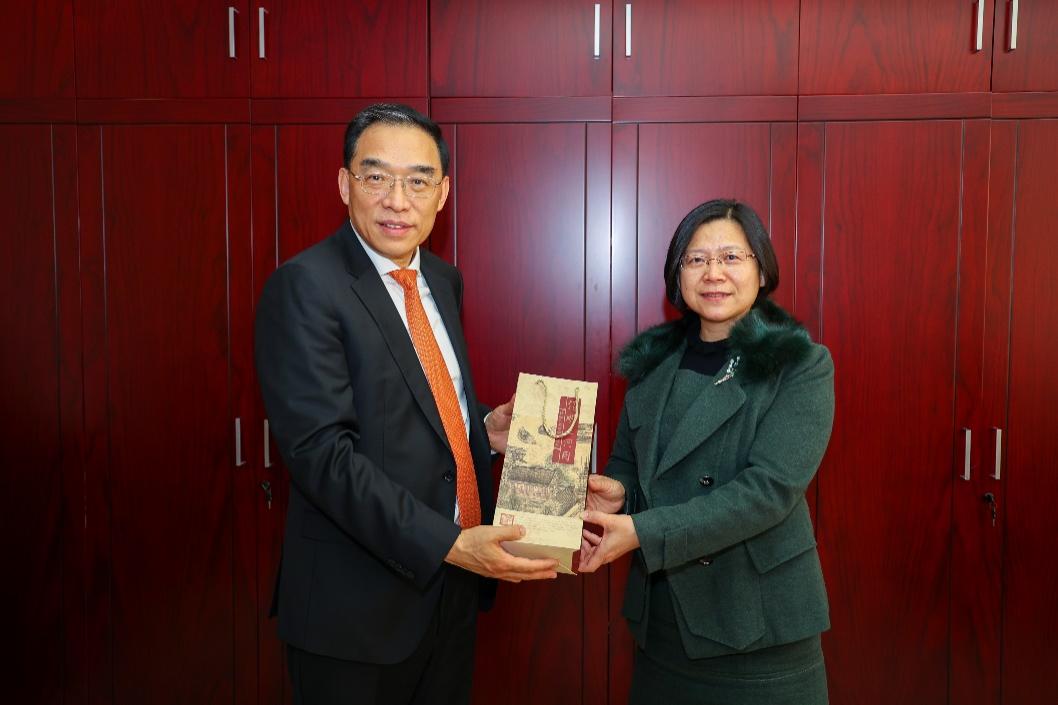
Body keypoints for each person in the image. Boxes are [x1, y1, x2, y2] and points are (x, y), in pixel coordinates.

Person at [254, 103, 559, 705]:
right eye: (376, 177)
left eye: (418, 181)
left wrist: (482, 429)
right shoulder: (306, 285)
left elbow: (416, 403)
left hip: (452, 591)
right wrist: (447, 543)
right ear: (345, 184)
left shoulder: (442, 280)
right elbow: (321, 455)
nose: (397, 200)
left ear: (442, 194)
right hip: (355, 610)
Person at [579, 199, 835, 704]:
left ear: (762, 270)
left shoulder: (799, 364)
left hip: (754, 624)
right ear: (678, 276)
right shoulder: (653, 364)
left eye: (731, 257)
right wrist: (618, 494)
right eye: (696, 259)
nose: (713, 273)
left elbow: (767, 493)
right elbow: (629, 465)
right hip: (663, 623)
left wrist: (643, 531)